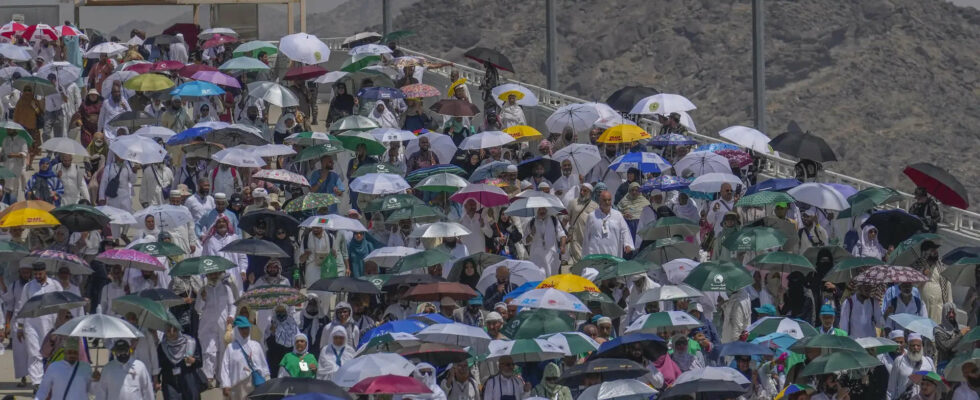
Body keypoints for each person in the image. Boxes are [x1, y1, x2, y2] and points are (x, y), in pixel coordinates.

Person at [16, 262, 64, 390]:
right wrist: (20, 327)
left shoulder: (55, 285)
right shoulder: (28, 287)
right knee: (34, 353)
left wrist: (61, 323)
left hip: (51, 325)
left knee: (50, 353)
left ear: (45, 272)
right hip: (31, 325)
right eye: (35, 274)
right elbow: (22, 306)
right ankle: (37, 383)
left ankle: (50, 381)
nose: (37, 276)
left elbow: (63, 305)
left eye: (40, 274)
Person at [196, 270, 236, 384]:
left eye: (215, 274)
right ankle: (208, 378)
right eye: (210, 274)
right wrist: (202, 300)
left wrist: (231, 316)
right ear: (207, 275)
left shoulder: (226, 288)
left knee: (223, 351)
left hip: (223, 324)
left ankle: (221, 378)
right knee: (209, 351)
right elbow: (197, 308)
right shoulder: (203, 290)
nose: (213, 276)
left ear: (219, 274)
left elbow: (232, 305)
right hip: (207, 325)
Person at [220, 316, 270, 399]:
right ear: (236, 329)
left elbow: (264, 365)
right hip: (237, 388)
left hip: (255, 387)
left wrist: (267, 381)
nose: (245, 331)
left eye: (246, 328)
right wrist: (226, 385)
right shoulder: (230, 348)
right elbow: (225, 368)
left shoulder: (256, 345)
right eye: (242, 328)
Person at [582, 190, 635, 258]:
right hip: (595, 254)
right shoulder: (592, 216)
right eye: (604, 200)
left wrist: (627, 244)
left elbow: (625, 230)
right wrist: (585, 255)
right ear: (600, 201)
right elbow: (586, 236)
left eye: (609, 200)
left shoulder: (617, 215)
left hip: (613, 253)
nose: (607, 202)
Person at [157, 324, 203, 400]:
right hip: (170, 383)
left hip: (188, 381)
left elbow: (199, 362)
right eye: (168, 331)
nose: (171, 333)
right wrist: (157, 380)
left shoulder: (190, 342)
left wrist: (193, 361)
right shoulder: (162, 347)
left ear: (178, 330)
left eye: (174, 330)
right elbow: (159, 365)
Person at [887, 333, 936, 400]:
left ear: (922, 347)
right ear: (908, 346)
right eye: (913, 345)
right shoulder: (899, 361)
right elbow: (891, 388)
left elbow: (935, 384)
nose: (916, 348)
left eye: (918, 345)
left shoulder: (928, 361)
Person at [13, 84, 43, 167]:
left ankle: (29, 163)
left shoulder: (34, 101)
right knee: (26, 146)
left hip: (32, 128)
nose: (27, 93)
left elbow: (39, 113)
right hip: (23, 128)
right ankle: (27, 163)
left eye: (29, 91)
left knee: (32, 146)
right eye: (26, 91)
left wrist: (34, 106)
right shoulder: (20, 102)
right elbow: (16, 115)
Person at [1, 120, 29, 202]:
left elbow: (24, 154)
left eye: (9, 129)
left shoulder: (22, 140)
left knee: (14, 191)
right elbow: (3, 153)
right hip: (6, 169)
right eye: (7, 129)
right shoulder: (5, 140)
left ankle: (14, 208)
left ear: (15, 130)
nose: (7, 131)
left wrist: (13, 155)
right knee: (6, 189)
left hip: (17, 169)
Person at [934, 303, 963, 368]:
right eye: (949, 312)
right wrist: (960, 335)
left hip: (957, 365)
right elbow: (945, 346)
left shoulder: (959, 329)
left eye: (953, 312)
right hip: (944, 365)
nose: (951, 315)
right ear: (944, 313)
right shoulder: (938, 330)